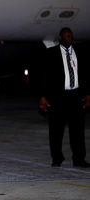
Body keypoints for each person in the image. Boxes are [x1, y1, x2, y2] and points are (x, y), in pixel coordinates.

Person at [39, 27, 90, 168]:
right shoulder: (51, 53)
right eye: (66, 36)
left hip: (76, 96)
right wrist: (43, 96)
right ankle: (57, 158)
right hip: (58, 97)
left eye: (70, 36)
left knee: (78, 131)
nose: (69, 38)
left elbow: (85, 74)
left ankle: (79, 158)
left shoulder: (80, 52)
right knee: (56, 130)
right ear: (60, 37)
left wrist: (87, 94)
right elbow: (45, 76)